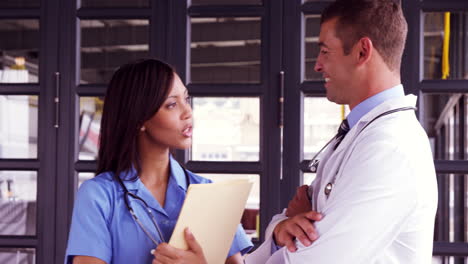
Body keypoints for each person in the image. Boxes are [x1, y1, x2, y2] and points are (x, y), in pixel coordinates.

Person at [245, 0, 438, 263]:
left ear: (362, 51)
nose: (317, 65)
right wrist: (280, 229)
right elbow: (294, 224)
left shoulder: (390, 147)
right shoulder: (362, 133)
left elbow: (320, 259)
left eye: (325, 51)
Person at [64, 59, 253, 264]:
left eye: (186, 99)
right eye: (172, 104)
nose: (188, 112)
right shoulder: (98, 196)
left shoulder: (211, 194)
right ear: (139, 119)